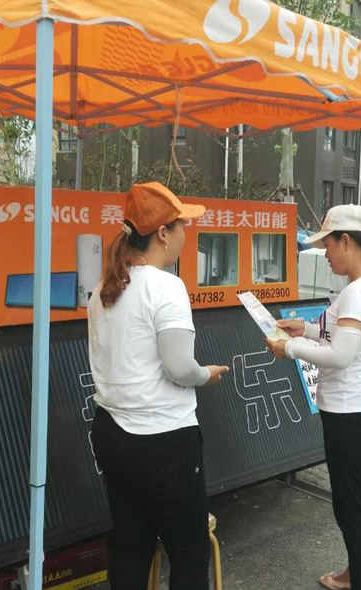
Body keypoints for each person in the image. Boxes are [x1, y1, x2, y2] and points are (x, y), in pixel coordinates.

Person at [88, 181, 230, 590]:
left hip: (112, 432)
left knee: (131, 546)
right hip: (163, 441)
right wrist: (205, 375)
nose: (188, 233)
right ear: (164, 233)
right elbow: (179, 367)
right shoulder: (166, 286)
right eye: (183, 224)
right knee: (189, 551)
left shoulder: (103, 289)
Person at [266, 204, 361, 590]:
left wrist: (288, 348)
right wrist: (303, 329)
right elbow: (334, 335)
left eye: (328, 245)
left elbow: (340, 355)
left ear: (347, 241)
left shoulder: (359, 292)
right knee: (354, 505)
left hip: (351, 417)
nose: (324, 254)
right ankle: (355, 574)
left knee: (353, 511)